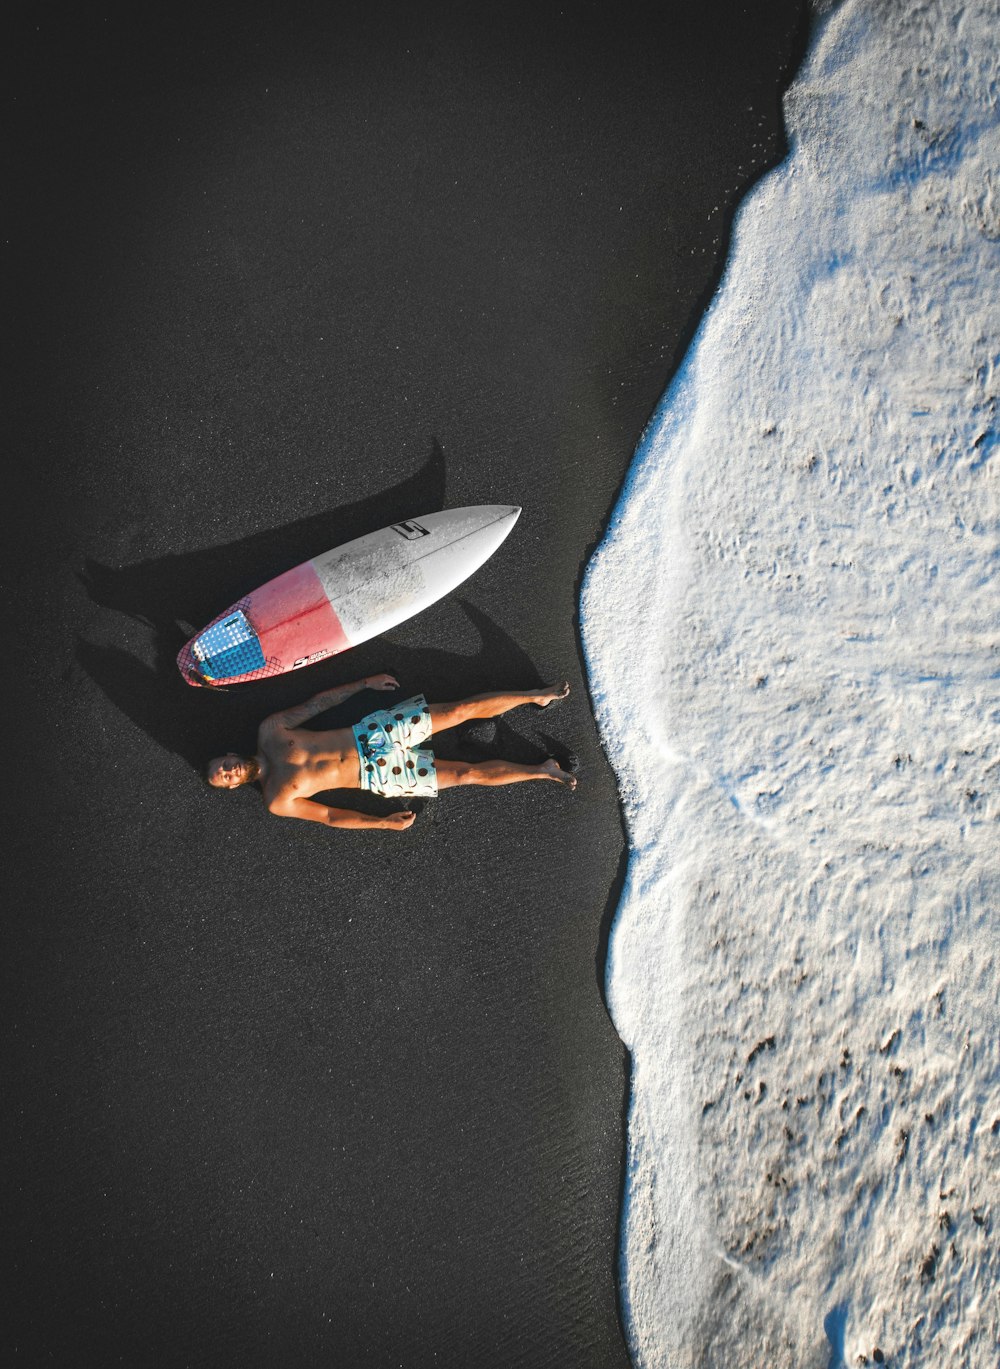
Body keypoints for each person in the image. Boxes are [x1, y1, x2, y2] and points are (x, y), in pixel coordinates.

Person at [206, 674, 576, 831]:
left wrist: (364, 684)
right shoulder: (276, 799)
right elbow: (331, 816)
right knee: (466, 774)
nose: (229, 770)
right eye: (225, 777)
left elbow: (317, 704)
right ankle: (543, 770)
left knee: (459, 711)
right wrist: (379, 823)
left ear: (228, 754)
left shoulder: (269, 731)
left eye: (223, 764)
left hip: (371, 734)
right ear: (232, 787)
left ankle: (535, 695)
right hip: (378, 776)